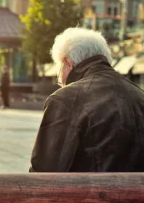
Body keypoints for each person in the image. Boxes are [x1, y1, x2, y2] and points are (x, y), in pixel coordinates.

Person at [30, 27, 144, 172]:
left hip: (89, 194)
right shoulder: (139, 95)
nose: (60, 79)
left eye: (59, 70)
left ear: (68, 63)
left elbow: (44, 171)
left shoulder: (65, 99)